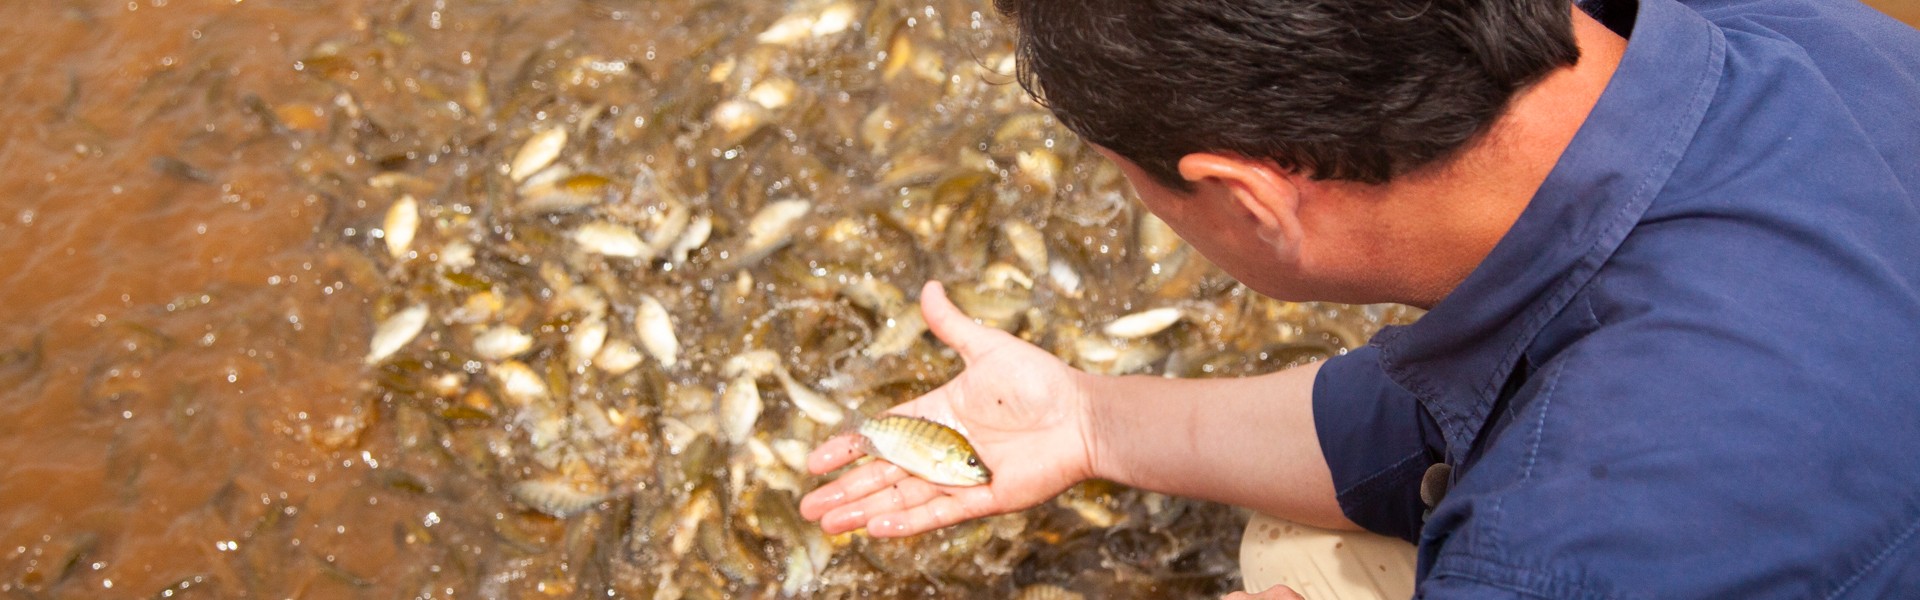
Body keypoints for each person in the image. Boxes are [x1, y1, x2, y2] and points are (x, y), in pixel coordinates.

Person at [801, 0, 1920, 596]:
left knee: (1290, 567)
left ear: (1246, 195)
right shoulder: (1786, 25)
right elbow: (1426, 412)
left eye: (1130, 177)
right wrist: (1087, 418)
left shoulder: (1564, 540)